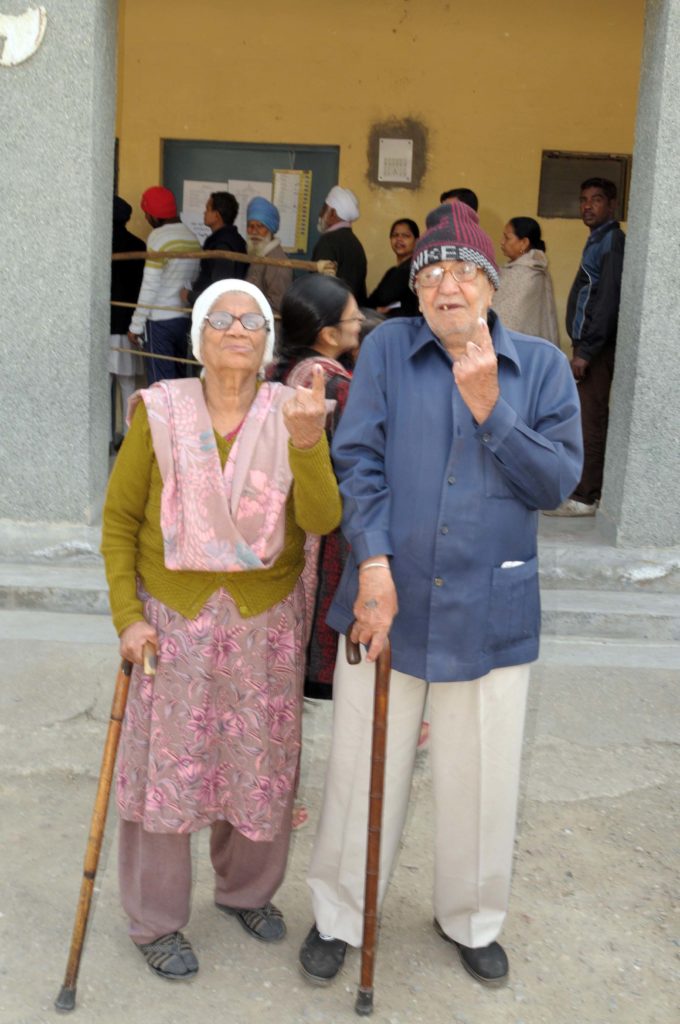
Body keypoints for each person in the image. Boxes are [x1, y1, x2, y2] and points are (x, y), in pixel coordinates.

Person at [297, 201, 582, 992]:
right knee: (361, 765)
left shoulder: (543, 368)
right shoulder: (389, 349)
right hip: (385, 600)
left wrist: (493, 408)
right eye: (430, 272)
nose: (445, 285)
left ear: (491, 285)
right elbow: (359, 462)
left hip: (492, 604)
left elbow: (555, 483)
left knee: (482, 772)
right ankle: (341, 914)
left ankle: (471, 918)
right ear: (415, 289)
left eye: (462, 271)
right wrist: (375, 564)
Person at [101, 278, 341, 982]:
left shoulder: (292, 411)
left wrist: (307, 444)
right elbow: (119, 524)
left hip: (266, 622)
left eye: (253, 320)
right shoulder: (160, 413)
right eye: (221, 319)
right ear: (199, 338)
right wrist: (128, 616)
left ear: (268, 342)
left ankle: (245, 893)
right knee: (165, 778)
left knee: (258, 767)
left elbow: (323, 520)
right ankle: (155, 919)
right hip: (172, 621)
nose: (237, 329)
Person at [269, 274, 362, 700]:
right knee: (325, 585)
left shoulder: (278, 370)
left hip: (277, 515)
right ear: (328, 334)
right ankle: (321, 676)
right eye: (352, 316)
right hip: (324, 518)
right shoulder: (335, 386)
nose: (360, 320)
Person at [546, 178, 625, 516]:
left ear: (612, 206)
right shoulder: (597, 240)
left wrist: (587, 351)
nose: (588, 206)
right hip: (589, 345)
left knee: (590, 420)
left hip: (597, 348)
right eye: (583, 200)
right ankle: (587, 491)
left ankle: (585, 497)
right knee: (586, 417)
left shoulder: (612, 242)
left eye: (596, 200)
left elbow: (607, 300)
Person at [128, 186, 201, 385]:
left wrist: (136, 325)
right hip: (183, 320)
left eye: (146, 214)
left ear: (154, 215)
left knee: (161, 385)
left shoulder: (158, 238)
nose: (146, 219)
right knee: (179, 382)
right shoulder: (191, 237)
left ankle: (162, 418)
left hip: (159, 321)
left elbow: (150, 285)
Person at [110, 196, 145, 450]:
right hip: (128, 323)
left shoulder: (99, 242)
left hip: (102, 324)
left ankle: (105, 436)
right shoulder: (138, 244)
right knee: (127, 382)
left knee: (102, 385)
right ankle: (130, 437)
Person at [492, 217, 559, 344]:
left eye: (507, 238)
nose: (502, 242)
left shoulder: (530, 272)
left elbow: (508, 319)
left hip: (520, 346)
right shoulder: (516, 269)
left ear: (524, 243)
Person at [182, 191, 248, 306]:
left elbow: (219, 291)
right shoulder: (235, 239)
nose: (204, 212)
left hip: (216, 311)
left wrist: (190, 296)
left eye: (207, 209)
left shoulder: (222, 246)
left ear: (217, 216)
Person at [312, 186, 367, 304]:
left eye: (323, 209)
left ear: (332, 213)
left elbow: (319, 287)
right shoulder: (355, 243)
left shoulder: (328, 241)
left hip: (332, 314)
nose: (320, 214)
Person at [244, 196, 293, 319]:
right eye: (250, 226)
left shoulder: (277, 261)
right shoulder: (259, 254)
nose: (254, 231)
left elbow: (278, 305)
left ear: (270, 229)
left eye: (260, 226)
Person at [366, 219, 421, 318]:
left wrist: (375, 309)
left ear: (416, 241)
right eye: (395, 235)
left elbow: (383, 297)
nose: (399, 239)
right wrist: (376, 309)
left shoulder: (415, 269)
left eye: (405, 236)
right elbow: (371, 301)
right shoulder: (392, 272)